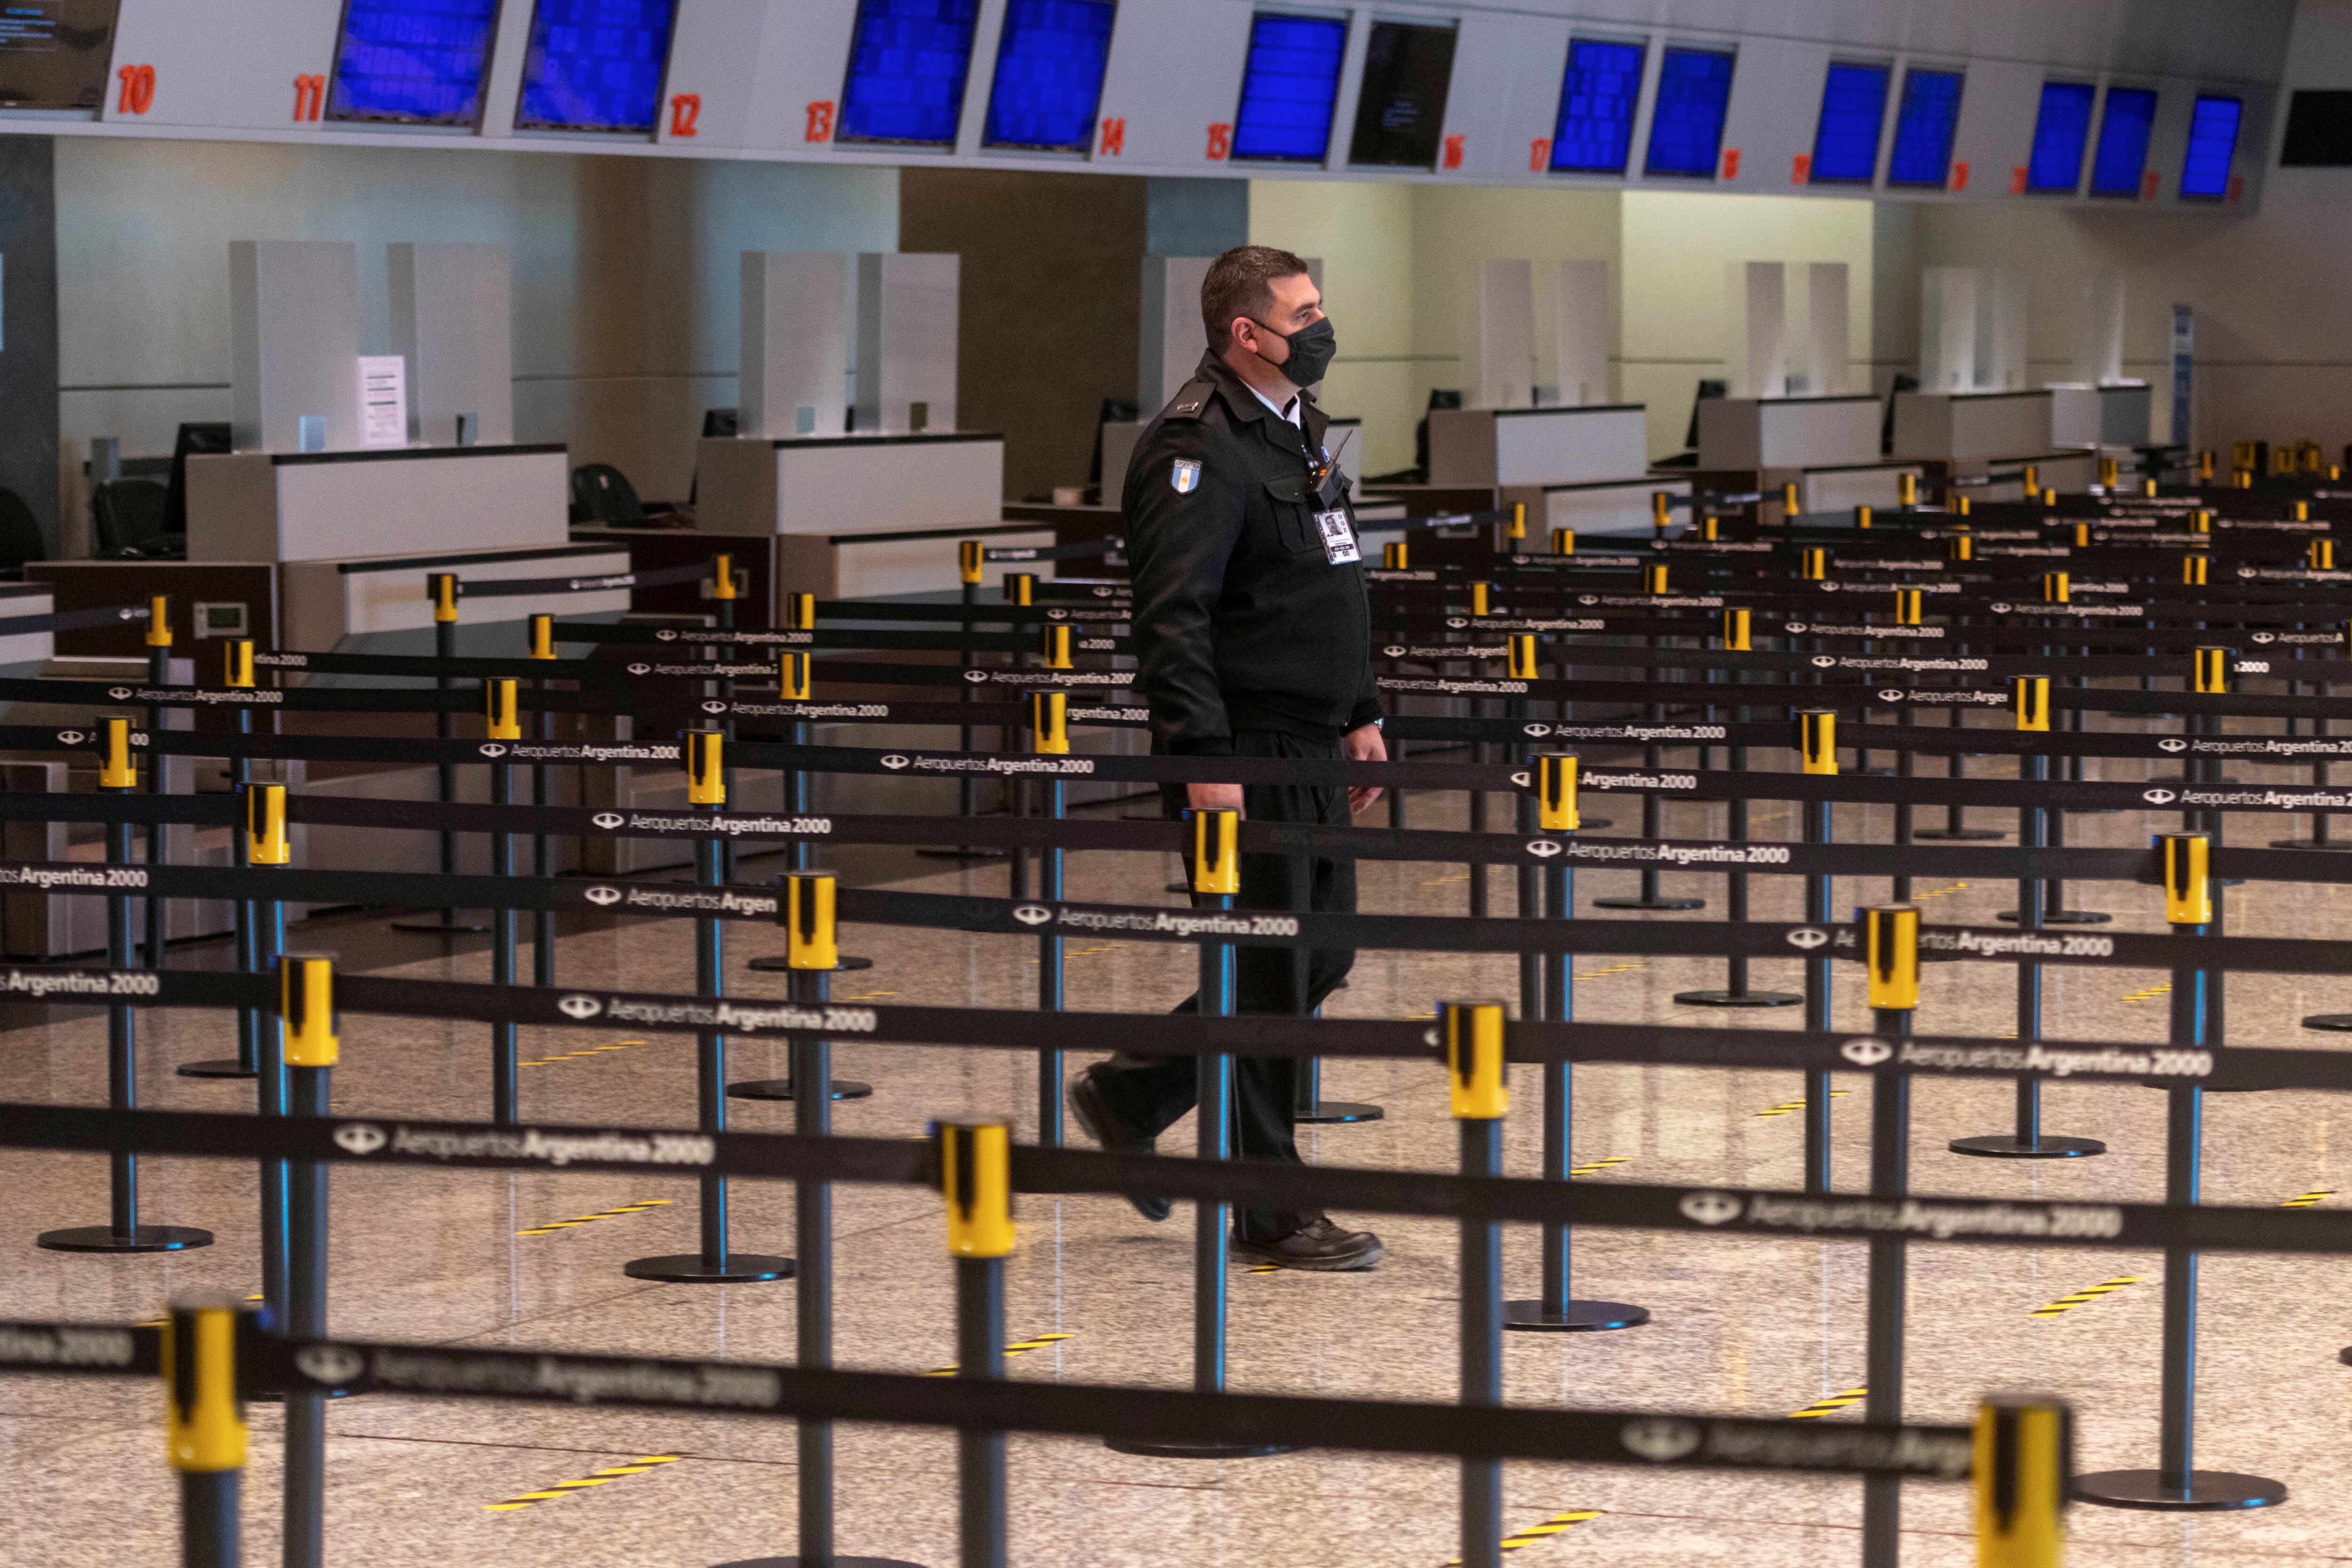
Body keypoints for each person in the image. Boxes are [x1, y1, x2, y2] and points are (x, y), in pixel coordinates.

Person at [1067, 245, 1385, 1272]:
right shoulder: (1193, 446)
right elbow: (1174, 619)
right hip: (1247, 745)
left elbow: (1331, 584)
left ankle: (1132, 1089)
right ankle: (1271, 1208)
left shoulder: (1295, 433)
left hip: (1314, 736)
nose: (1320, 325)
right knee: (1269, 960)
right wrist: (1202, 757)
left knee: (1315, 953)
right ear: (1246, 333)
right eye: (1302, 312)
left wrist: (1362, 708)